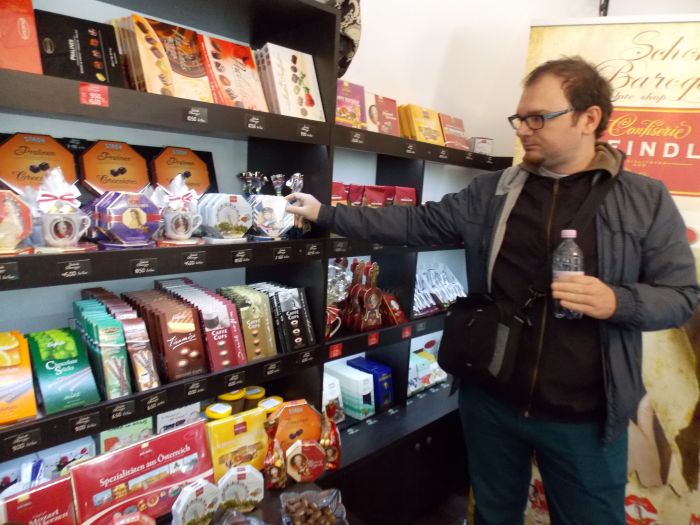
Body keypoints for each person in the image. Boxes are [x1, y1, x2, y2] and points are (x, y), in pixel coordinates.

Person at [286, 56, 699, 524]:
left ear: (589, 119)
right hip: (491, 403)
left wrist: (617, 301)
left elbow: (681, 296)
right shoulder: (493, 192)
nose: (522, 130)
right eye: (518, 118)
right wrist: (326, 213)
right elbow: (415, 222)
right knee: (492, 515)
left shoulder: (644, 199)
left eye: (538, 118)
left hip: (584, 419)